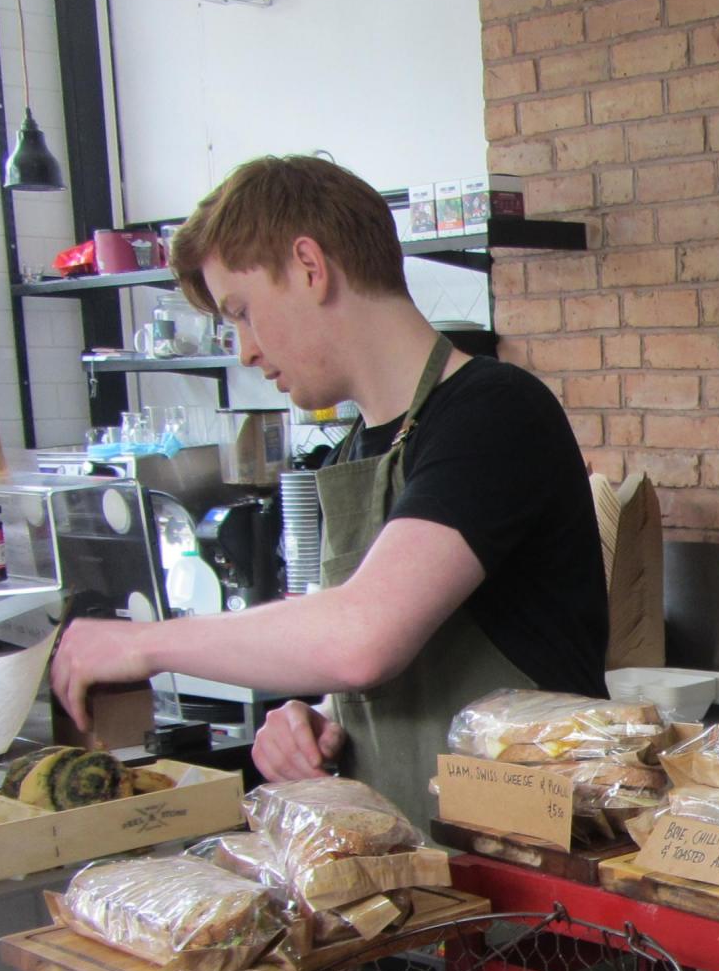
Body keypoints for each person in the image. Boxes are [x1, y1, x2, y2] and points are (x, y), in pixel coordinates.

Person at [49, 156, 608, 826]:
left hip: (526, 866)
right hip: (410, 859)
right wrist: (316, 717)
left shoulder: (493, 413)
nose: (244, 350)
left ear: (310, 267)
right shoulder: (355, 452)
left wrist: (141, 643)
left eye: (243, 312)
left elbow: (363, 639)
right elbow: (364, 656)